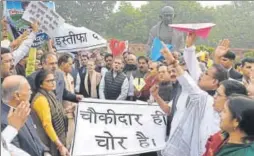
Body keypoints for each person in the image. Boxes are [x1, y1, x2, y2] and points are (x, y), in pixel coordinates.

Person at [154, 34, 229, 156]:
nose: (200, 75)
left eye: (205, 74)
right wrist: (189, 47)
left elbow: (189, 80)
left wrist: (172, 61)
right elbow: (194, 72)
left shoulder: (209, 100)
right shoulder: (195, 93)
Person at [1, 75, 49, 156]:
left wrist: (45, 152)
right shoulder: (4, 122)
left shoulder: (22, 109)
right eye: (29, 90)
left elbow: (35, 137)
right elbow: (14, 151)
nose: (31, 93)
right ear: (17, 95)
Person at [31, 70, 69, 156]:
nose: (53, 83)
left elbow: (54, 113)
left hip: (53, 139)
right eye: (49, 81)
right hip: (46, 141)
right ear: (41, 84)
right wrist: (60, 145)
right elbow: (47, 124)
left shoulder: (50, 93)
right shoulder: (41, 99)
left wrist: (66, 111)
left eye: (53, 80)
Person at [58, 53, 77, 149]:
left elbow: (72, 93)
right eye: (69, 64)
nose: (71, 66)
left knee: (70, 140)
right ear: (62, 64)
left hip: (72, 113)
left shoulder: (70, 77)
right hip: (61, 114)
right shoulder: (56, 77)